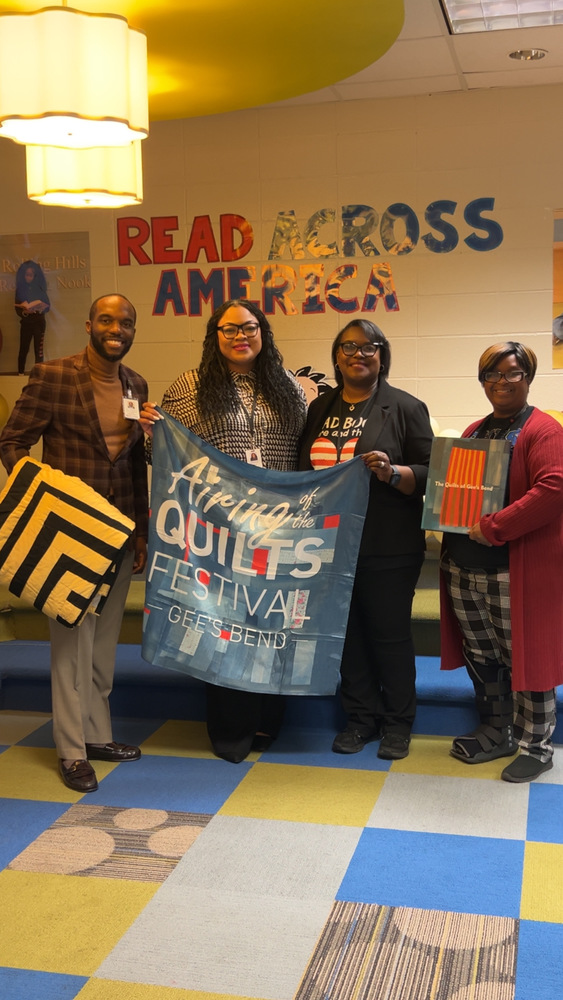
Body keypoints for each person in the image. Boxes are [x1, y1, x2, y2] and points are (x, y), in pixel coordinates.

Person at [140, 298, 307, 763]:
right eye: (229, 328)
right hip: (218, 533)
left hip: (278, 529)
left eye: (250, 327)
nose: (240, 336)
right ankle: (231, 727)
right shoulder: (189, 387)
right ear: (215, 336)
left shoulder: (288, 386)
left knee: (272, 624)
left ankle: (269, 722)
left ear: (263, 333)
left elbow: (301, 453)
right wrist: (151, 435)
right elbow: (163, 458)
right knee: (227, 629)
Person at [0, 294, 148, 792]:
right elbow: (12, 441)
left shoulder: (136, 384)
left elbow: (134, 464)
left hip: (120, 531)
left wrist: (142, 532)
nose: (116, 328)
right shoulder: (53, 376)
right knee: (70, 644)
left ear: (132, 331)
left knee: (104, 644)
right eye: (107, 319)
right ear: (89, 325)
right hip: (69, 532)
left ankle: (97, 735)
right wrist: (41, 498)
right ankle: (70, 751)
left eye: (125, 322)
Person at [299, 319, 433, 760]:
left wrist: (394, 472)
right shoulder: (319, 409)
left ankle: (397, 723)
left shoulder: (406, 407)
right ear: (336, 356)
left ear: (382, 355)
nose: (359, 354)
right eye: (349, 346)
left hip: (387, 544)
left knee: (389, 635)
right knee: (348, 635)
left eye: (369, 347)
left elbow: (435, 477)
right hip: (328, 544)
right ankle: (360, 719)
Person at [440, 342, 563, 783]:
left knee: (524, 658)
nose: (501, 383)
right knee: (482, 655)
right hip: (463, 567)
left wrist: (496, 527)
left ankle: (537, 745)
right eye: (492, 375)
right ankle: (497, 730)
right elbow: (456, 489)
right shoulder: (475, 430)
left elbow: (554, 489)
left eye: (512, 374)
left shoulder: (543, 430)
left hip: (515, 570)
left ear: (528, 378)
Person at [15, 260, 50, 374]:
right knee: (23, 349)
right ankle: (20, 373)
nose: (29, 278)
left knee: (38, 351)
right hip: (26, 323)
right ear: (23, 275)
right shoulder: (20, 290)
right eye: (27, 275)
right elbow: (17, 309)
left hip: (39, 323)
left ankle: (39, 375)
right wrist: (26, 312)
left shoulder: (40, 289)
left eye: (31, 275)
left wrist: (39, 308)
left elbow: (47, 307)